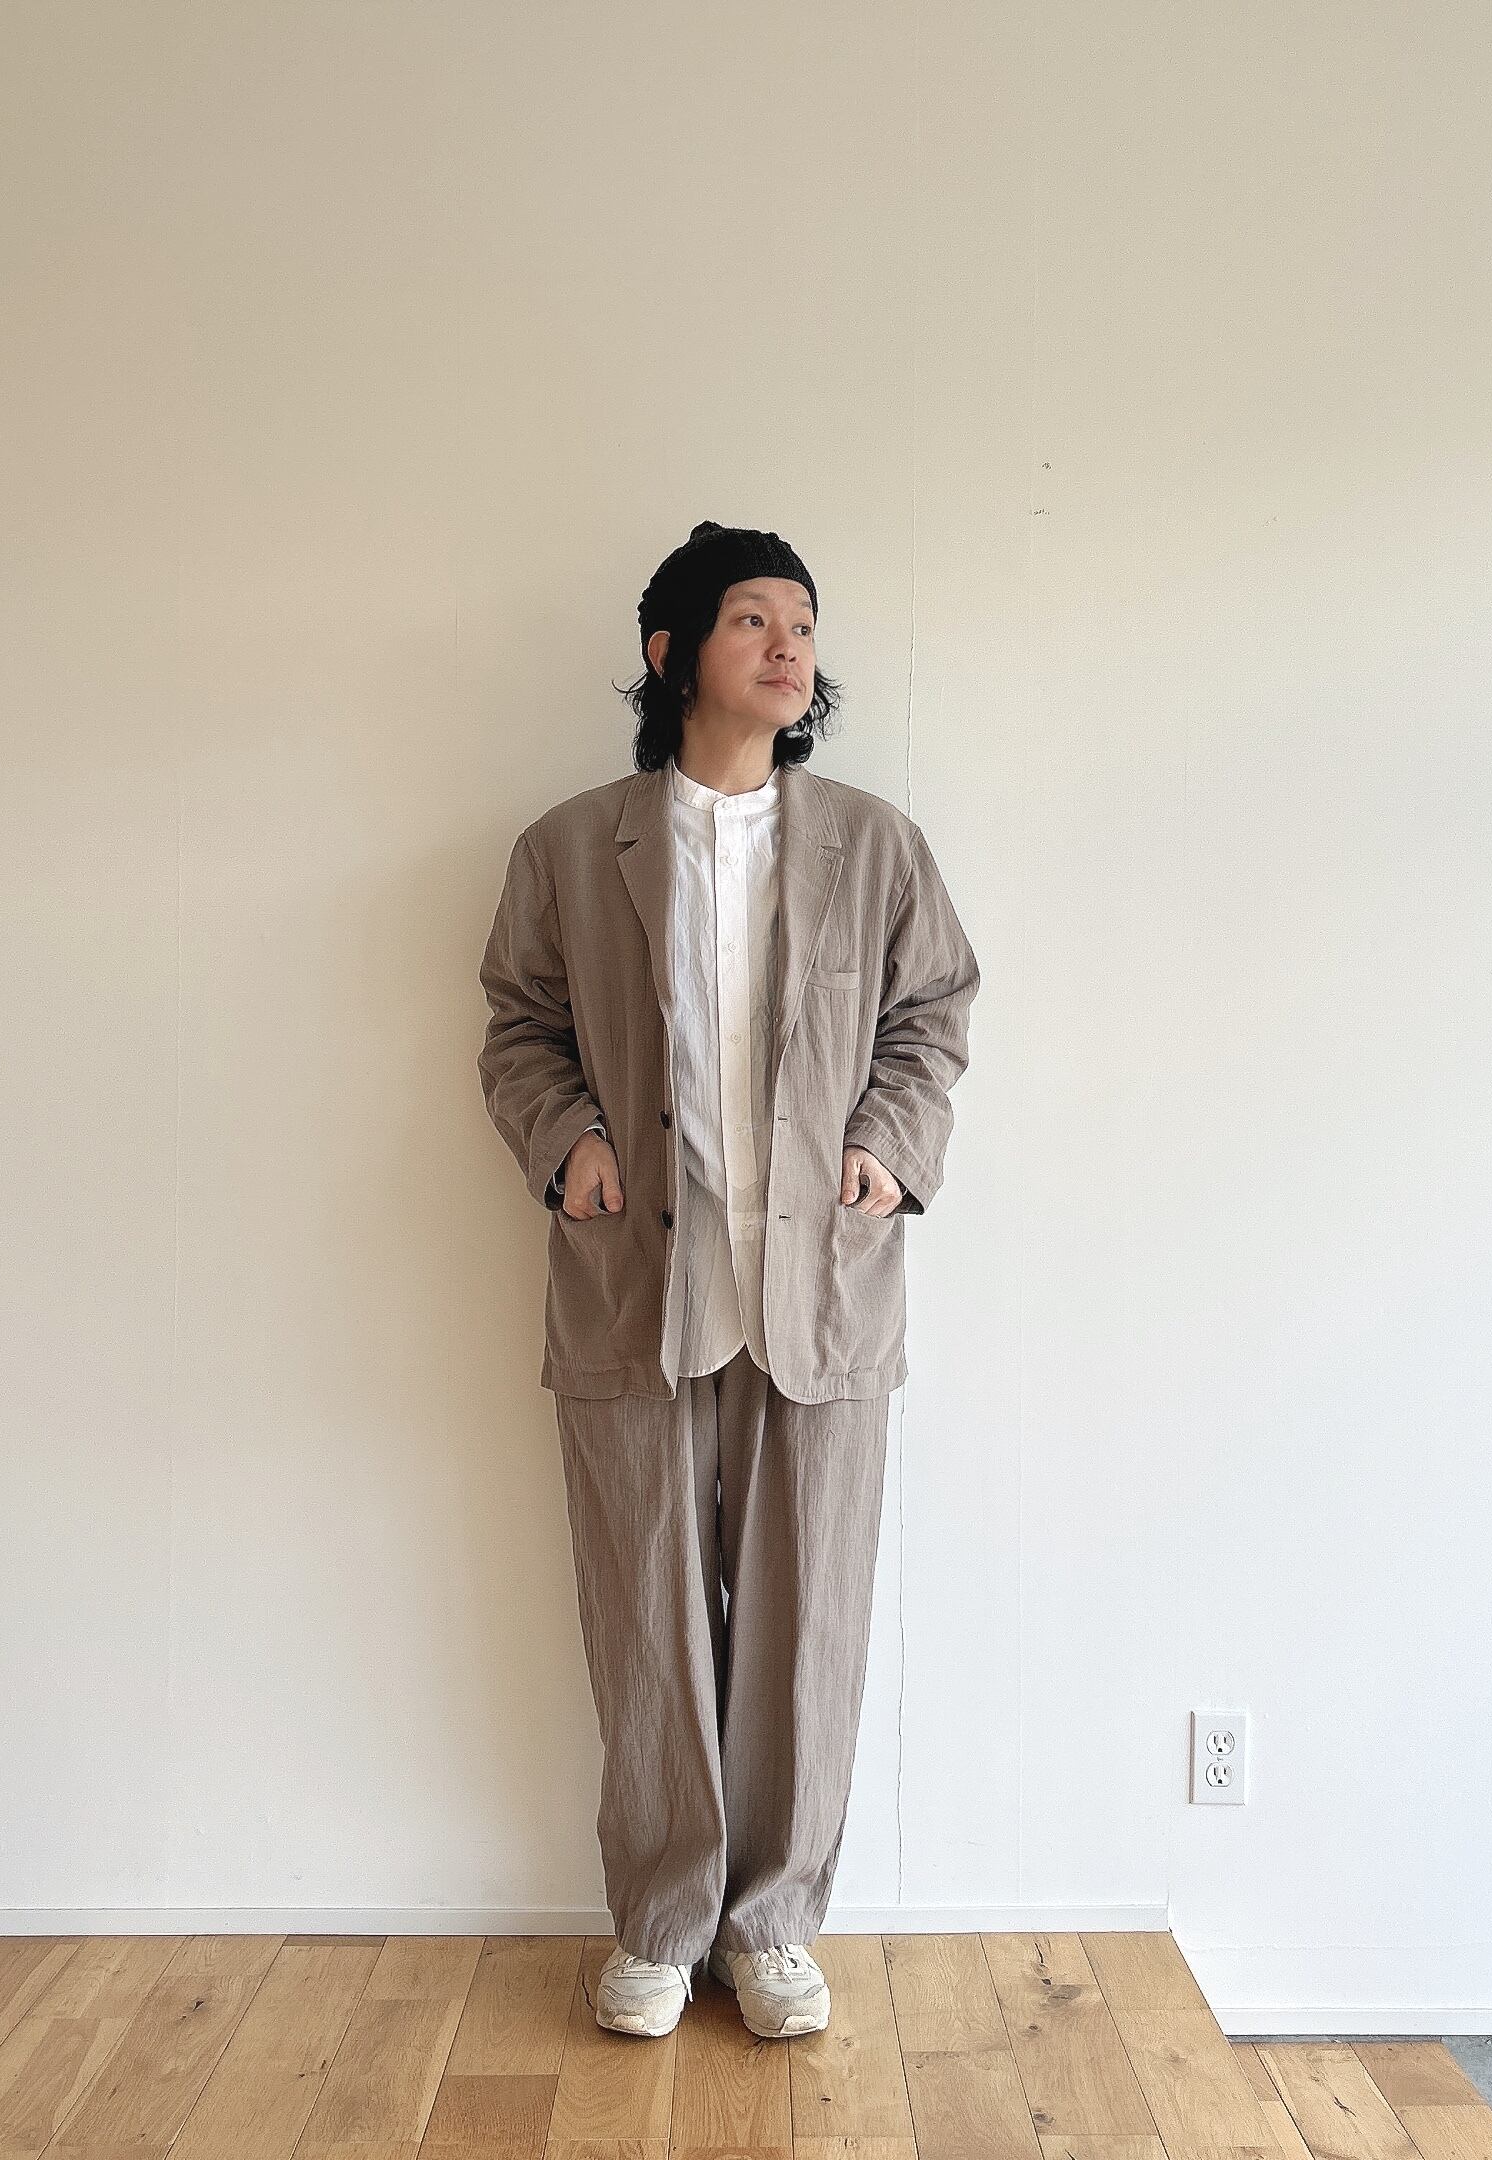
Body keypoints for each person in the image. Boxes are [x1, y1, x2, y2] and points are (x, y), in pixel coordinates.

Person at [476, 520, 981, 2040]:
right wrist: (569, 1144)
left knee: (807, 1622)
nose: (788, 648)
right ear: (671, 649)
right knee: (644, 1615)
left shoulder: (875, 848)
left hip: (822, 1289)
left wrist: (888, 1148)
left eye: (803, 625)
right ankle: (661, 1921)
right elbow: (519, 1025)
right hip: (639, 1281)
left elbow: (933, 1015)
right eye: (754, 619)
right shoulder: (575, 849)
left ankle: (772, 1927)